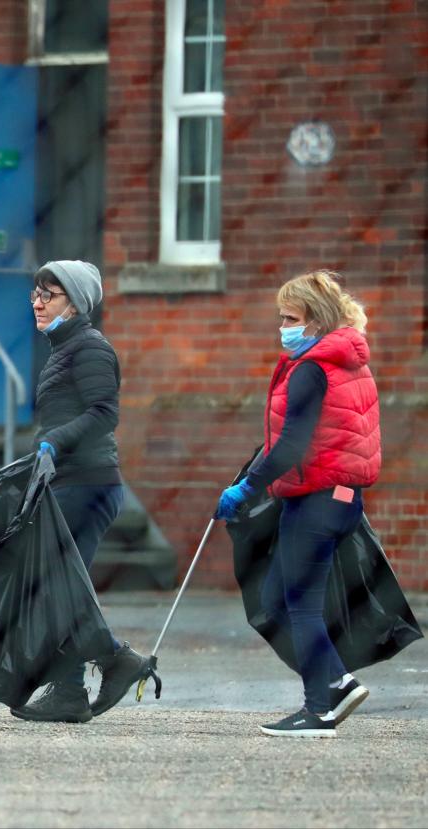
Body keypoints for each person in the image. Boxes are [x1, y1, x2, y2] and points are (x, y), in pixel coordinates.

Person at [214, 270, 379, 738]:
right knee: (276, 601)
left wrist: (246, 490)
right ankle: (338, 681)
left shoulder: (310, 369)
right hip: (344, 500)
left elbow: (291, 446)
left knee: (300, 607)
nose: (282, 327)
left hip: (314, 503)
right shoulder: (349, 362)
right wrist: (252, 475)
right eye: (281, 317)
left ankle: (318, 711)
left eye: (291, 318)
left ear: (316, 321)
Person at [10, 260, 152, 724]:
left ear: (75, 301)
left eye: (48, 294)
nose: (36, 301)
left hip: (88, 484)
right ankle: (70, 689)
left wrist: (55, 441)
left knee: (60, 586)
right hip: (69, 481)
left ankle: (113, 660)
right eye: (35, 293)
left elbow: (104, 413)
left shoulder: (89, 347)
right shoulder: (63, 348)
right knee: (61, 587)